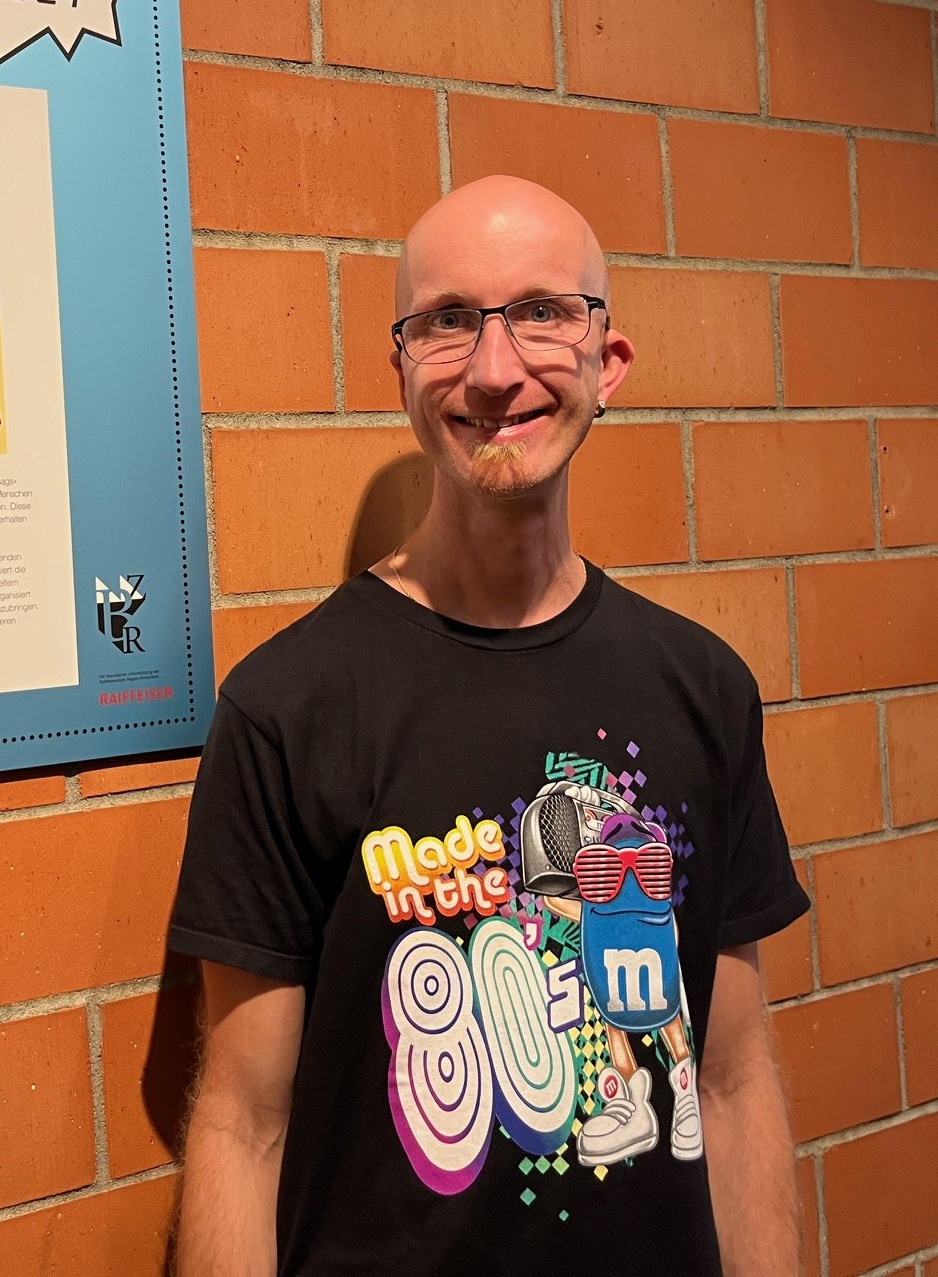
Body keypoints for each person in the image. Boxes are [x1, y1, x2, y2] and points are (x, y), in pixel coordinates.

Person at [168, 175, 807, 1275]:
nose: (496, 368)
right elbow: (243, 1124)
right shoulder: (287, 707)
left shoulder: (702, 687)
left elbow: (733, 1076)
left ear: (609, 362)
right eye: (448, 321)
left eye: (543, 314)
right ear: (401, 369)